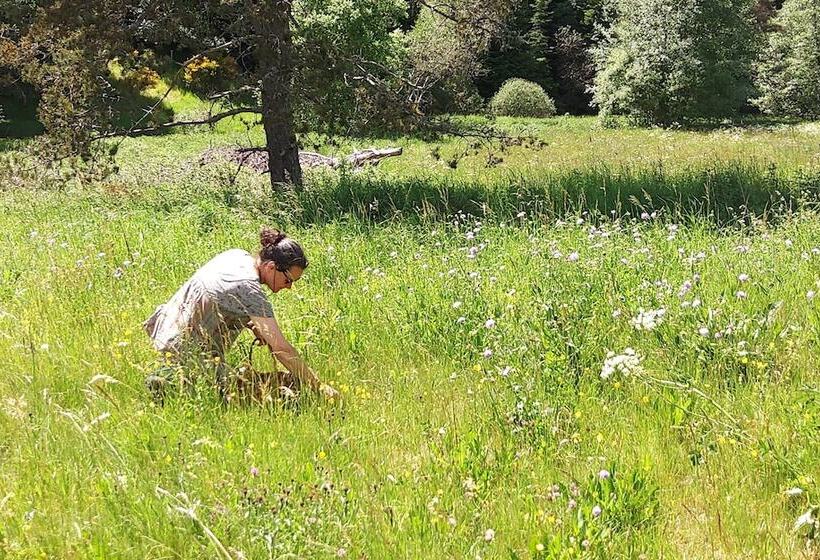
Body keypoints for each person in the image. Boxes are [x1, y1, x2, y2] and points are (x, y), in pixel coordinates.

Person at [142, 227, 339, 404]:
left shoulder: (236, 256)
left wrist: (252, 325)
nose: (289, 287)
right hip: (191, 355)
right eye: (288, 280)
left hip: (167, 335)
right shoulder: (250, 289)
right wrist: (319, 386)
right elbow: (281, 348)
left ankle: (171, 377)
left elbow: (221, 295)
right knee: (288, 389)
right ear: (271, 267)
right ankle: (171, 382)